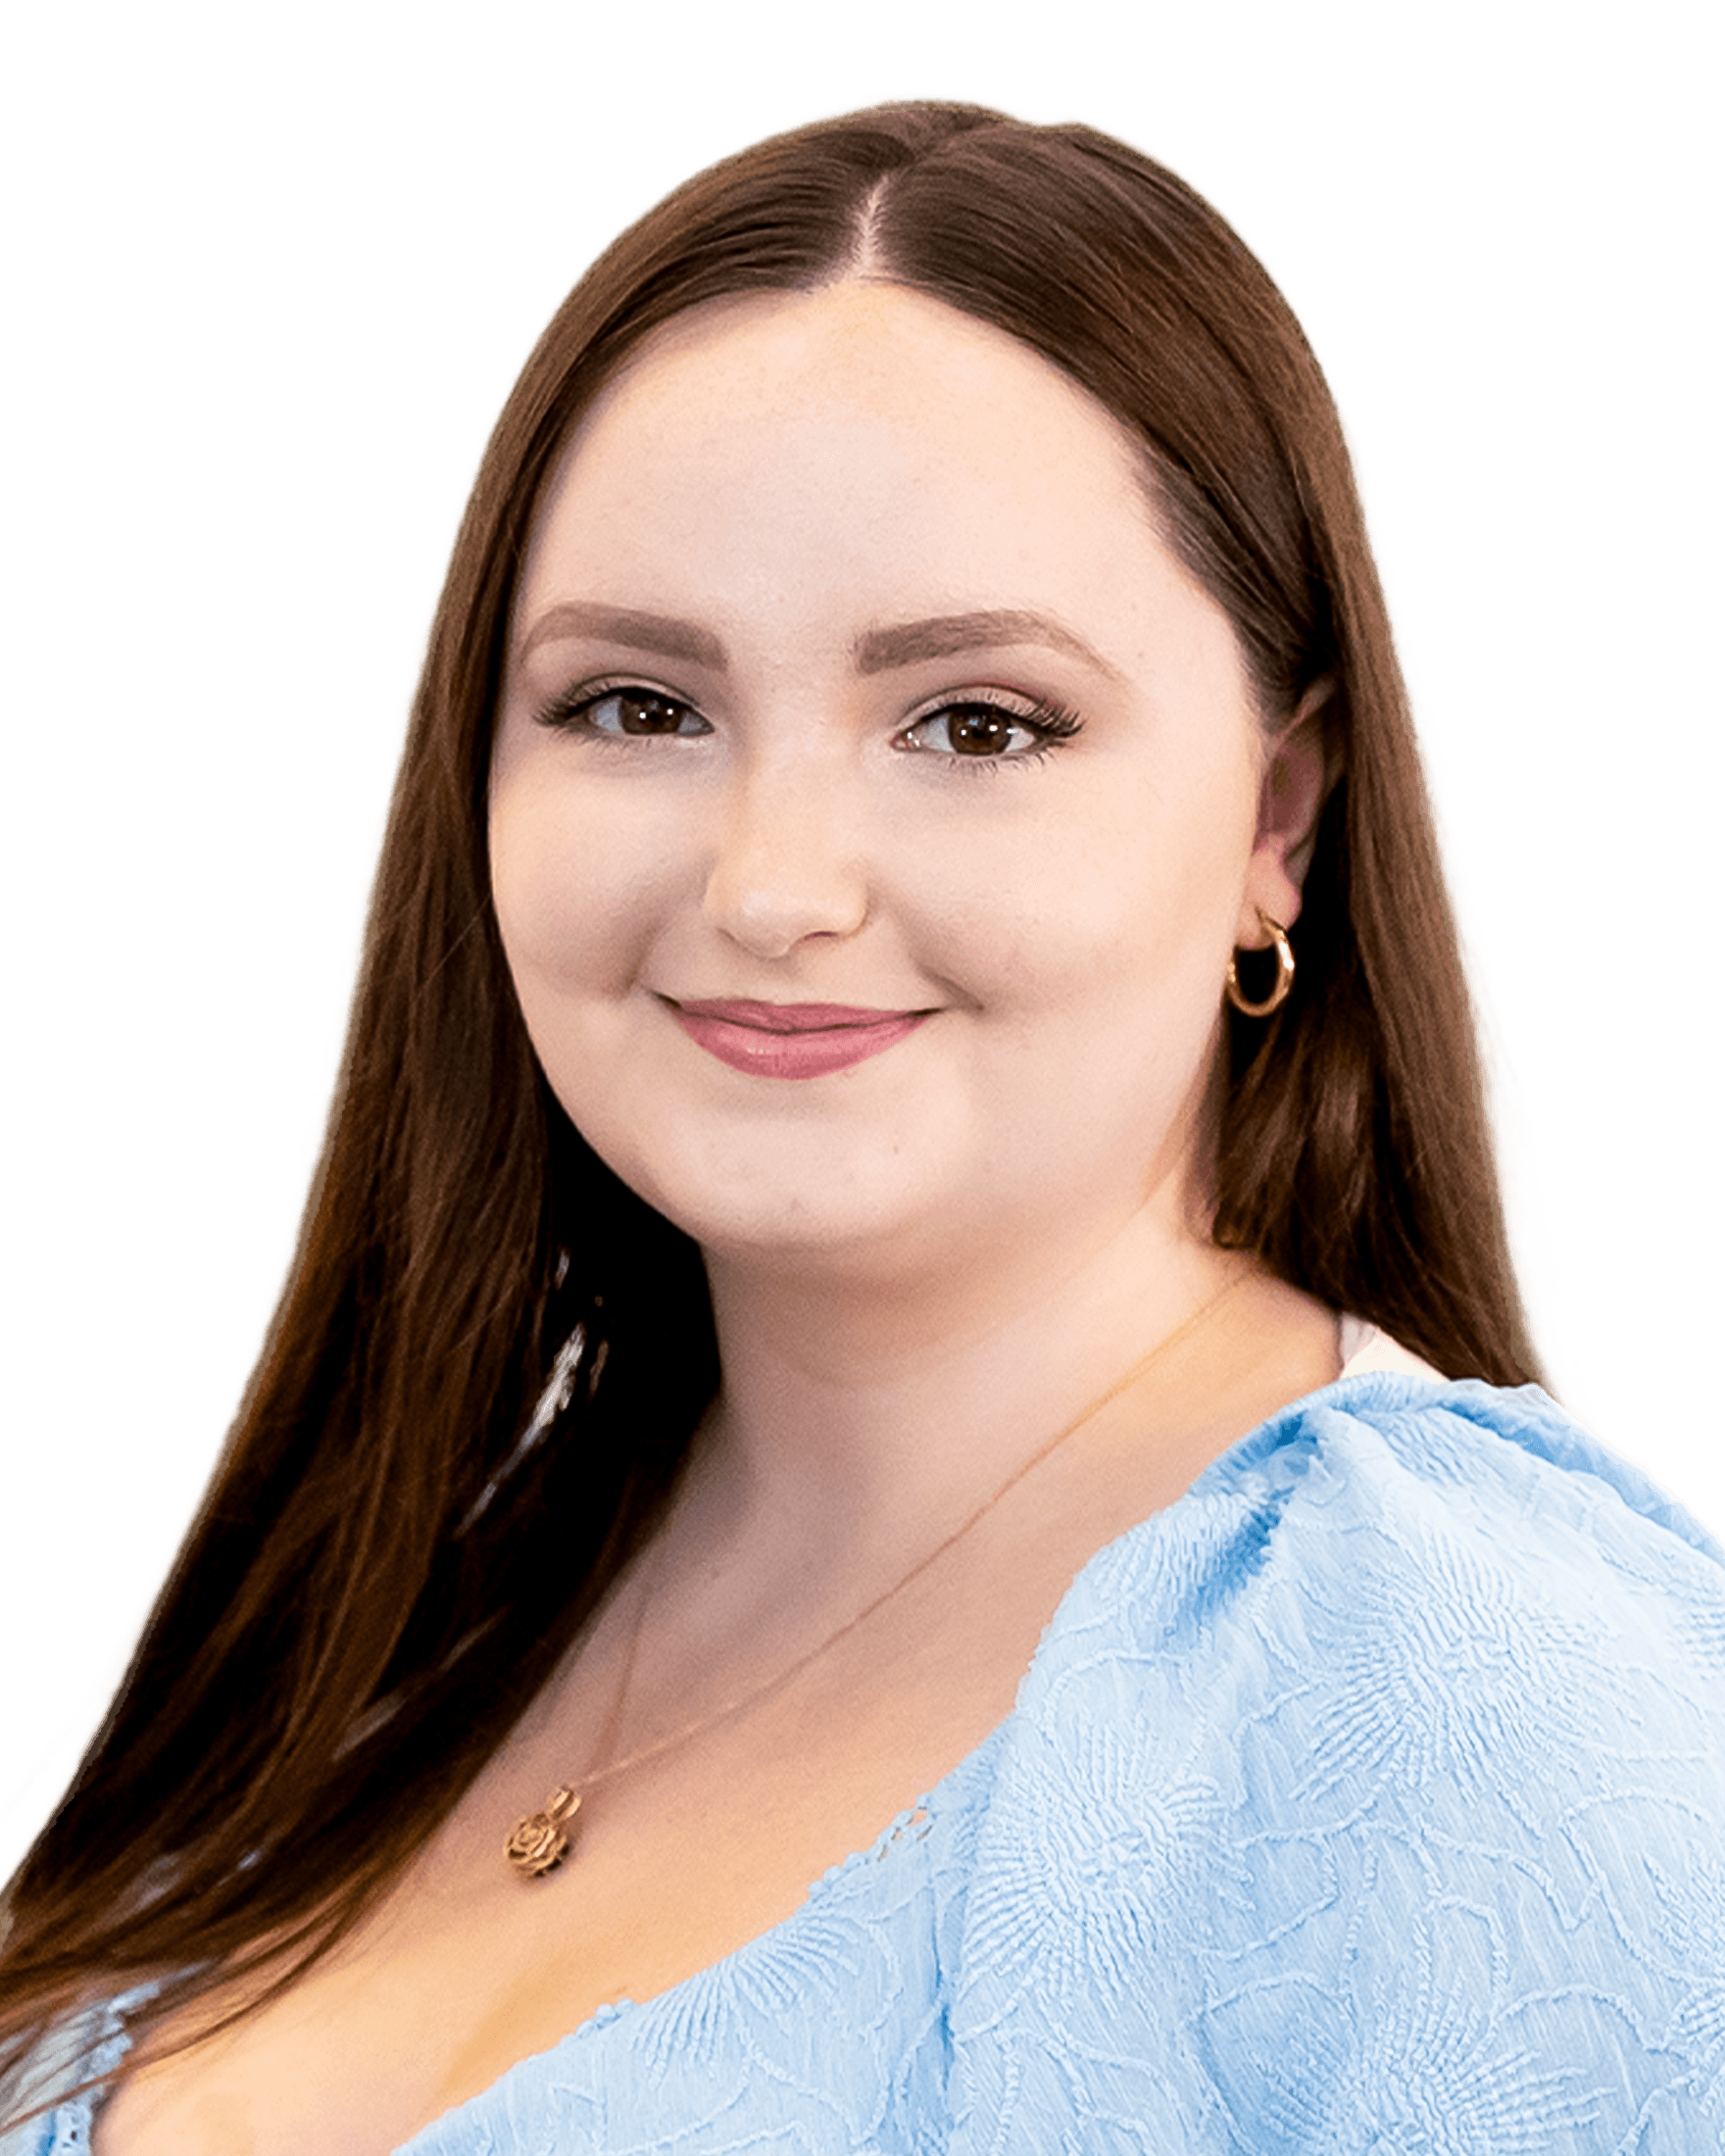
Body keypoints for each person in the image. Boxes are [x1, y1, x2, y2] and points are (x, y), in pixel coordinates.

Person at [2, 90, 1720, 2156]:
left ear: (1278, 817)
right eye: (638, 705)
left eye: (977, 722)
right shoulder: (386, 1604)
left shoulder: (1500, 1713)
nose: (772, 886)